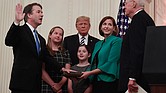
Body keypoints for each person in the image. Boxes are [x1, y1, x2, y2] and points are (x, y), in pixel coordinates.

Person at [5, 3, 64, 93]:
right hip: (21, 84)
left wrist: (62, 69)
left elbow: (47, 58)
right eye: (38, 12)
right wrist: (16, 22)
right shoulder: (20, 31)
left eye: (42, 12)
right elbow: (8, 41)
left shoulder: (41, 39)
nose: (42, 14)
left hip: (35, 85)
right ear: (29, 15)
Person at [118, 0, 155, 93]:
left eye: (125, 4)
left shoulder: (139, 20)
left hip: (137, 80)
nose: (124, 7)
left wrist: (132, 77)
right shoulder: (143, 18)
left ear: (134, 4)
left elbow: (137, 50)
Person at [80, 16, 122, 93]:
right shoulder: (98, 44)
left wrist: (90, 73)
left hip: (109, 81)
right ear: (101, 27)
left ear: (114, 28)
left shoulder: (117, 41)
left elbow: (111, 63)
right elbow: (94, 63)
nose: (106, 26)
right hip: (96, 80)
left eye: (110, 24)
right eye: (104, 24)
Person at [41, 26, 71, 93]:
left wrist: (59, 85)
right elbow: (41, 70)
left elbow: (67, 71)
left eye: (60, 34)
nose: (58, 36)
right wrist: (53, 85)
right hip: (46, 85)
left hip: (62, 86)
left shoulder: (65, 52)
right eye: (56, 33)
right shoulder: (44, 51)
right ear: (50, 35)